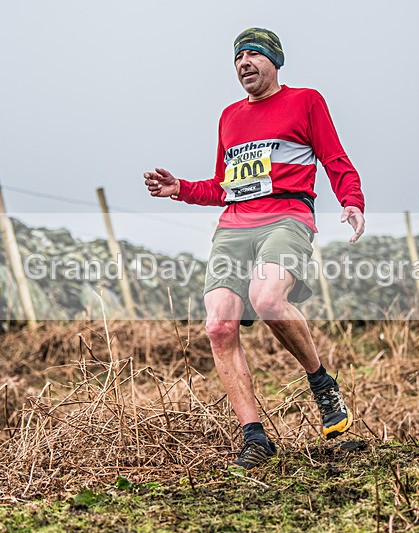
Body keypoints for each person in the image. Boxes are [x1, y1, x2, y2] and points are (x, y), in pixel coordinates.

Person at [144, 28, 365, 470]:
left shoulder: (306, 101)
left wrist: (352, 201)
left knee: (266, 299)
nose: (244, 63)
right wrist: (180, 188)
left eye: (253, 55)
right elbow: (223, 186)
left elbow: (334, 157)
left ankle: (321, 384)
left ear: (274, 61)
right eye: (238, 57)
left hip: (287, 217)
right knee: (219, 327)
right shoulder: (228, 116)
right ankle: (255, 438)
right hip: (235, 225)